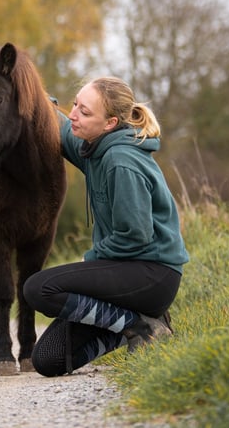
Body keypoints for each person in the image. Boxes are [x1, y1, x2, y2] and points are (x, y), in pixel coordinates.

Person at [24, 77, 189, 376]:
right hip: (126, 271)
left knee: (38, 289)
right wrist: (31, 95)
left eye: (85, 112)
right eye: (75, 104)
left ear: (110, 122)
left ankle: (139, 326)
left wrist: (91, 262)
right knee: (48, 360)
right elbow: (61, 128)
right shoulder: (94, 147)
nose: (74, 114)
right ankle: (134, 324)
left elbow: (136, 236)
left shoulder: (120, 160)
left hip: (152, 274)